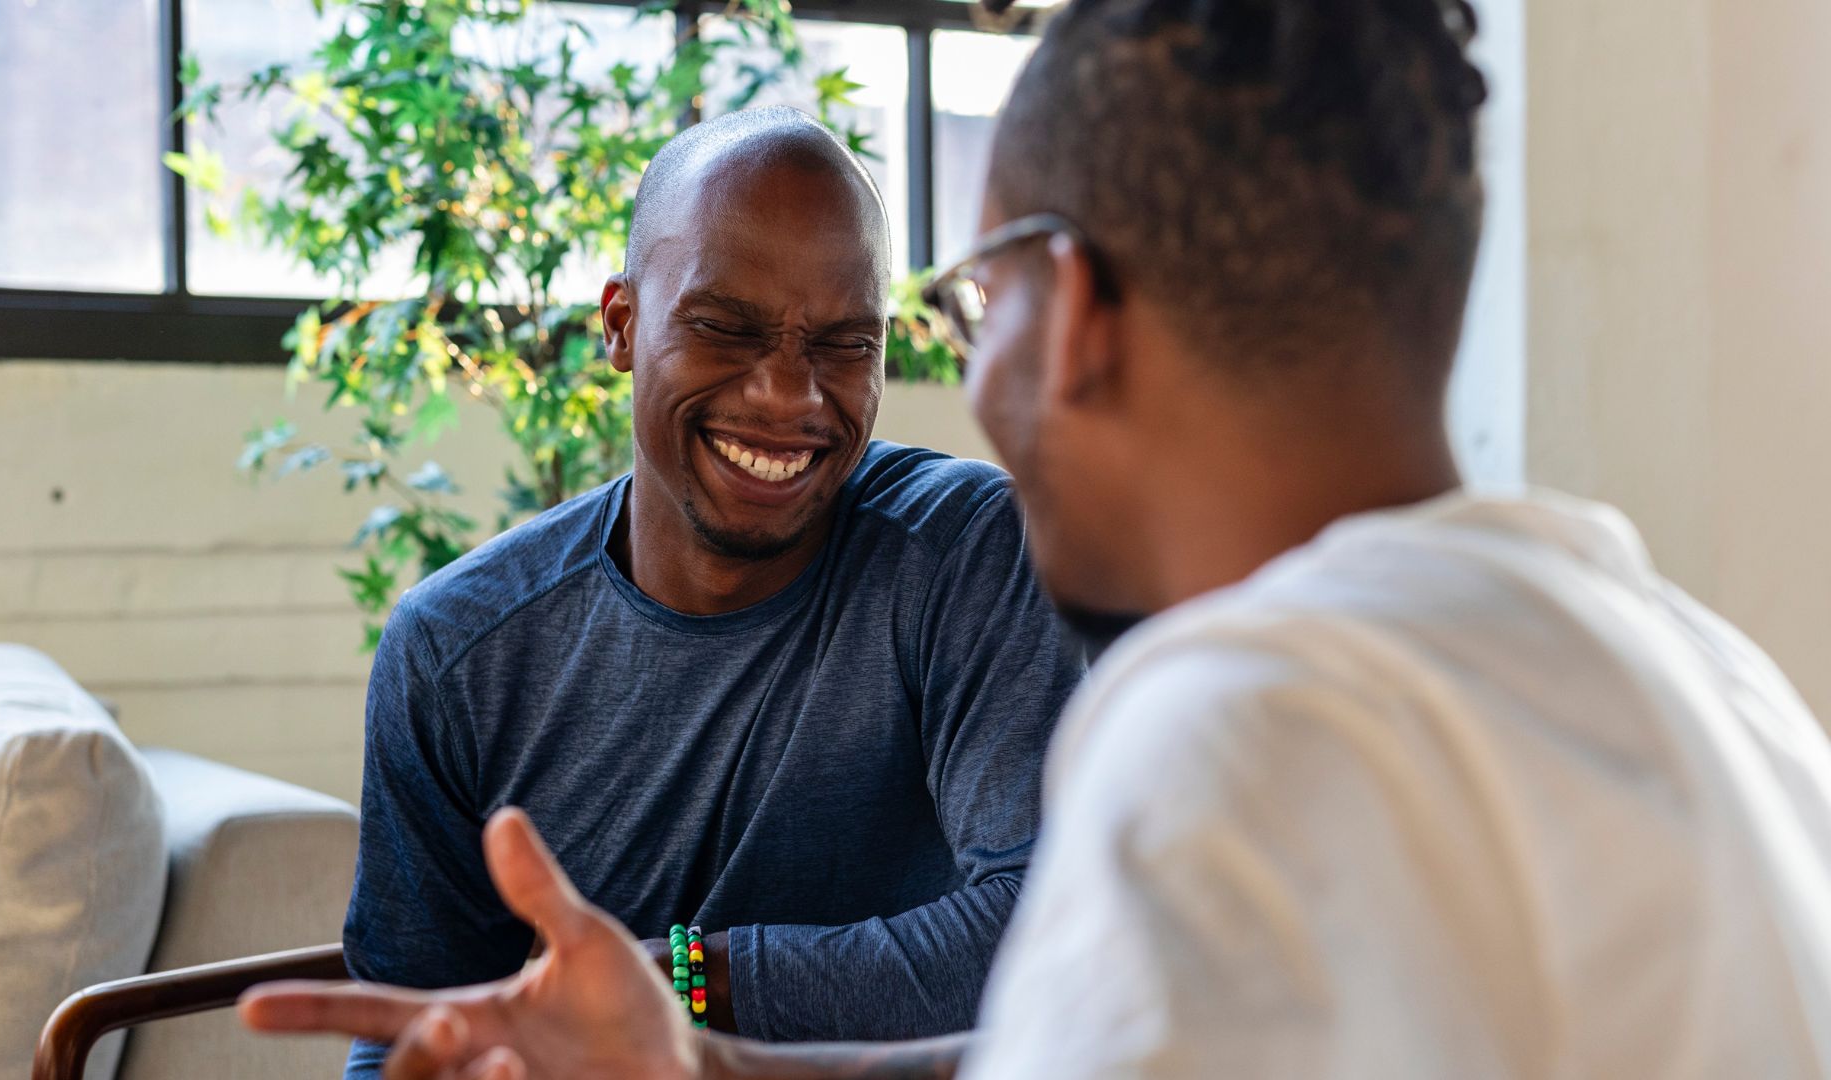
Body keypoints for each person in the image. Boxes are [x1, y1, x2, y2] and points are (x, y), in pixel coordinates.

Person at [245, 0, 1831, 1077]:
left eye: (963, 307)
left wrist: (704, 1002)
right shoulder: (1711, 674)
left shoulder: (1246, 735)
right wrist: (700, 1052)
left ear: (1065, 309)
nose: (957, 380)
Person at [332, 103, 1084, 1076]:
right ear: (620, 325)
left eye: (846, 344)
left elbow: (1046, 923)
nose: (788, 395)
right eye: (725, 329)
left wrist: (687, 981)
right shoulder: (459, 652)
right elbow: (412, 1034)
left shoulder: (964, 555)